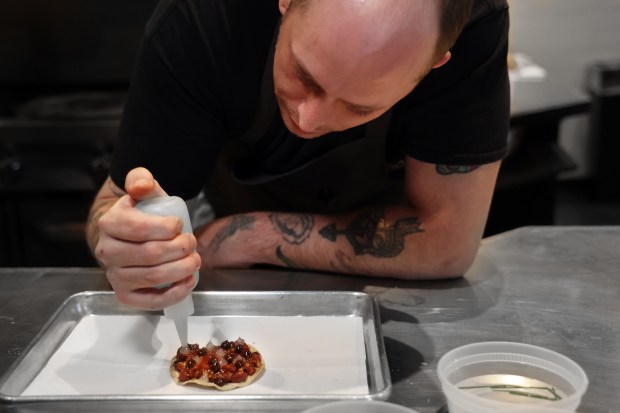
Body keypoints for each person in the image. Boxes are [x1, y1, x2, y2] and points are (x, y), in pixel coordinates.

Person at [86, 0, 510, 310]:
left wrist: (245, 237)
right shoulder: (204, 17)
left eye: (360, 108)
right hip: (233, 290)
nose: (309, 120)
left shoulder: (472, 23)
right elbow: (111, 209)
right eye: (302, 75)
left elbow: (449, 243)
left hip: (397, 295)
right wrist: (126, 243)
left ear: (436, 63)